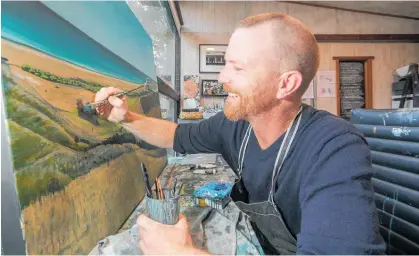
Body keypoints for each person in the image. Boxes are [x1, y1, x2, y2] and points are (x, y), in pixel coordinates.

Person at [95, 12, 386, 255]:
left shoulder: (334, 148)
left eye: (238, 68)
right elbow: (174, 136)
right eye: (224, 64)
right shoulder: (235, 126)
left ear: (285, 84)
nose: (222, 78)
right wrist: (125, 117)